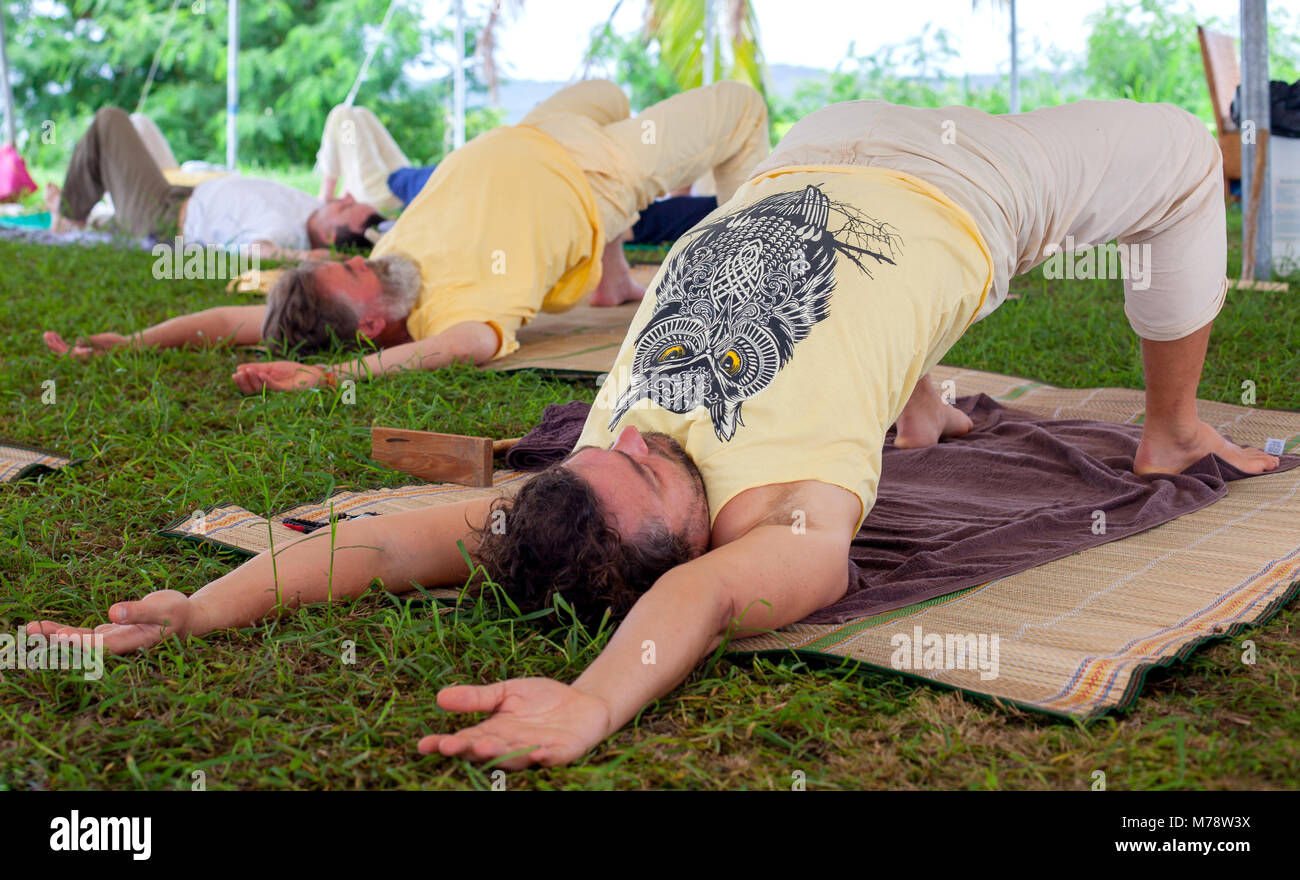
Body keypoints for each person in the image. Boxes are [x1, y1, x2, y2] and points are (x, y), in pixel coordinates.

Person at [30, 97, 1280, 769]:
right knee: (1179, 149)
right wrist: (586, 703)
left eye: (609, 441)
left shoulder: (581, 493)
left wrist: (198, 609)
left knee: (861, 344)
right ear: (687, 545)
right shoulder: (779, 528)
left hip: (810, 150)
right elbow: (684, 617)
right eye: (648, 472)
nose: (635, 433)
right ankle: (1167, 435)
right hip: (971, 191)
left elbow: (380, 550)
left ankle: (915, 400)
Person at [46, 82, 771, 383]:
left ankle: (611, 279)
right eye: (354, 271)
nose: (364, 257)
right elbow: (460, 348)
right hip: (600, 174)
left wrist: (131, 342)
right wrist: (330, 381)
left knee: (611, 89)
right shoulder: (450, 316)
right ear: (369, 326)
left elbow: (235, 319)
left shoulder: (381, 278)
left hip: (537, 131)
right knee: (739, 107)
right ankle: (750, 284)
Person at [44, 106, 384, 262]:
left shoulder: (283, 234)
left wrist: (311, 258)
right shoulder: (315, 209)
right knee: (140, 124)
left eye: (349, 207)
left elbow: (254, 253)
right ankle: (100, 219)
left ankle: (68, 219)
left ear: (326, 239)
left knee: (110, 121)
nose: (348, 196)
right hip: (185, 192)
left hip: (164, 215)